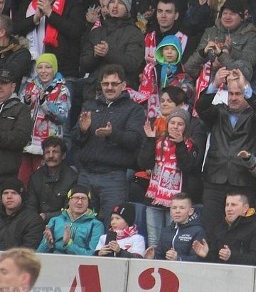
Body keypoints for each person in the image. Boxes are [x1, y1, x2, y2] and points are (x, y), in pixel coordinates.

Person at [195, 67, 256, 229]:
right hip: (214, 181)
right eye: (231, 93)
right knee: (210, 229)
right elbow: (201, 108)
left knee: (242, 230)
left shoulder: (254, 116)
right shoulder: (218, 112)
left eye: (239, 94)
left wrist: (246, 88)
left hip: (243, 181)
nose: (234, 98)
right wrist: (214, 84)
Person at [72, 65, 145, 221]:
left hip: (114, 178)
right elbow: (74, 139)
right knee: (80, 223)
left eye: (114, 83)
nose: (109, 87)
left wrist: (113, 134)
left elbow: (135, 141)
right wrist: (82, 131)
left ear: (124, 85)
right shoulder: (89, 106)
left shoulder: (134, 109)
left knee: (111, 226)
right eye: (105, 84)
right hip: (86, 174)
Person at [136, 107, 202, 250]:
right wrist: (149, 140)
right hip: (154, 200)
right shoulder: (157, 141)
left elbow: (187, 167)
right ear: (167, 124)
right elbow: (144, 164)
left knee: (173, 241)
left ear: (186, 127)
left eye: (180, 124)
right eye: (172, 123)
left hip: (177, 201)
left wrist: (179, 145)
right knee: (154, 241)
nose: (175, 127)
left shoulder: (191, 145)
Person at [14, 0, 86, 80]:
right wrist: (35, 18)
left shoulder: (72, 5)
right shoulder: (27, 5)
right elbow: (15, 29)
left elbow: (75, 31)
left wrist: (50, 13)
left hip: (63, 72)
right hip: (30, 71)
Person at [79, 0, 144, 98]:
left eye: (120, 3)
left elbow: (133, 64)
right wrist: (95, 55)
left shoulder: (135, 33)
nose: (115, 6)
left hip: (121, 94)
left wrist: (108, 53)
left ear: (127, 9)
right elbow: (84, 65)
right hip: (93, 92)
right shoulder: (96, 32)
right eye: (112, 2)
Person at [19, 53, 70, 185]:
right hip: (27, 143)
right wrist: (26, 102)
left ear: (54, 69)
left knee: (41, 184)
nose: (43, 71)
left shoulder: (62, 90)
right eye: (40, 67)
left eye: (47, 67)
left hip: (48, 146)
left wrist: (43, 102)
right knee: (23, 181)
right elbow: (21, 110)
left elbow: (61, 117)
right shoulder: (30, 86)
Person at [193, 192, 256, 266]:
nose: (229, 209)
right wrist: (206, 255)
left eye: (233, 205)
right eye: (227, 205)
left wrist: (232, 257)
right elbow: (215, 260)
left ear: (245, 208)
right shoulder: (219, 228)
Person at [36, 184, 105, 256]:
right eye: (76, 198)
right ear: (69, 201)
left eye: (83, 199)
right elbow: (39, 255)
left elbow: (93, 255)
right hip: (55, 262)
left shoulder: (96, 225)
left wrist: (69, 243)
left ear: (88, 203)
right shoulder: (55, 221)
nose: (79, 202)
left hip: (80, 265)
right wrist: (48, 244)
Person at [25, 136, 77, 223]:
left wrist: (47, 216)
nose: (51, 155)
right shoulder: (35, 177)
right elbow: (31, 205)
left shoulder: (72, 177)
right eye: (47, 152)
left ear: (63, 155)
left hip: (64, 222)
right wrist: (34, 220)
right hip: (37, 222)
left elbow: (70, 210)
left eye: (55, 152)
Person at [145, 192, 205, 262]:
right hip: (167, 272)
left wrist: (178, 258)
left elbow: (198, 260)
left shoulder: (198, 231)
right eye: (174, 208)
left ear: (190, 211)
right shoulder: (165, 231)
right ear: (170, 211)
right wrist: (152, 258)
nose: (177, 211)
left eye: (182, 208)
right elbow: (160, 258)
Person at [0, 68, 32, 180]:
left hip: (7, 175)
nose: (0, 87)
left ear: (13, 87)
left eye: (3, 83)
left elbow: (21, 138)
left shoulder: (21, 109)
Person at [0, 178, 44, 250]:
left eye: (14, 193)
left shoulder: (33, 220)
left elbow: (28, 250)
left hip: (18, 260)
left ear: (22, 196)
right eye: (5, 193)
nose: (9, 197)